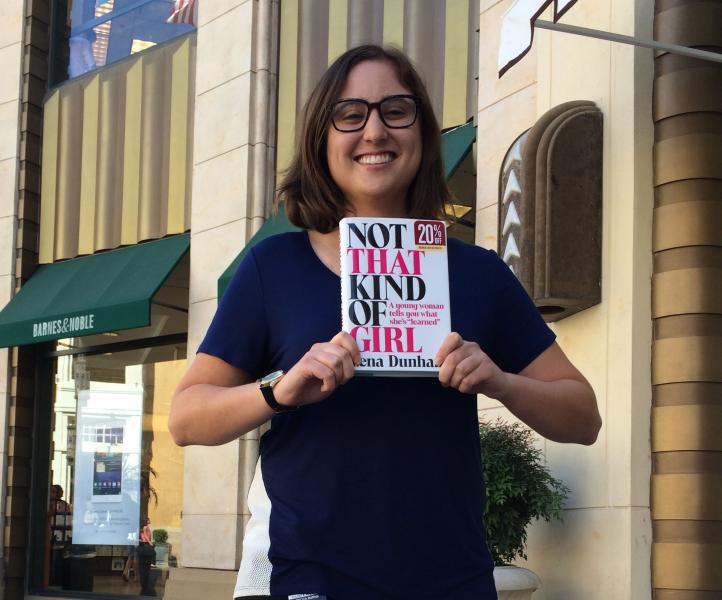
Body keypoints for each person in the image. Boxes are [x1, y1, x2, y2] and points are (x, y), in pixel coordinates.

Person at [169, 45, 601, 600]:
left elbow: (582, 416)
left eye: (396, 110)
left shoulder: (477, 272)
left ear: (421, 131)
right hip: (314, 579)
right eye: (350, 114)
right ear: (321, 139)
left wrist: (498, 379)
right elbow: (186, 417)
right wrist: (282, 387)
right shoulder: (273, 267)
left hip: (452, 579)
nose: (374, 131)